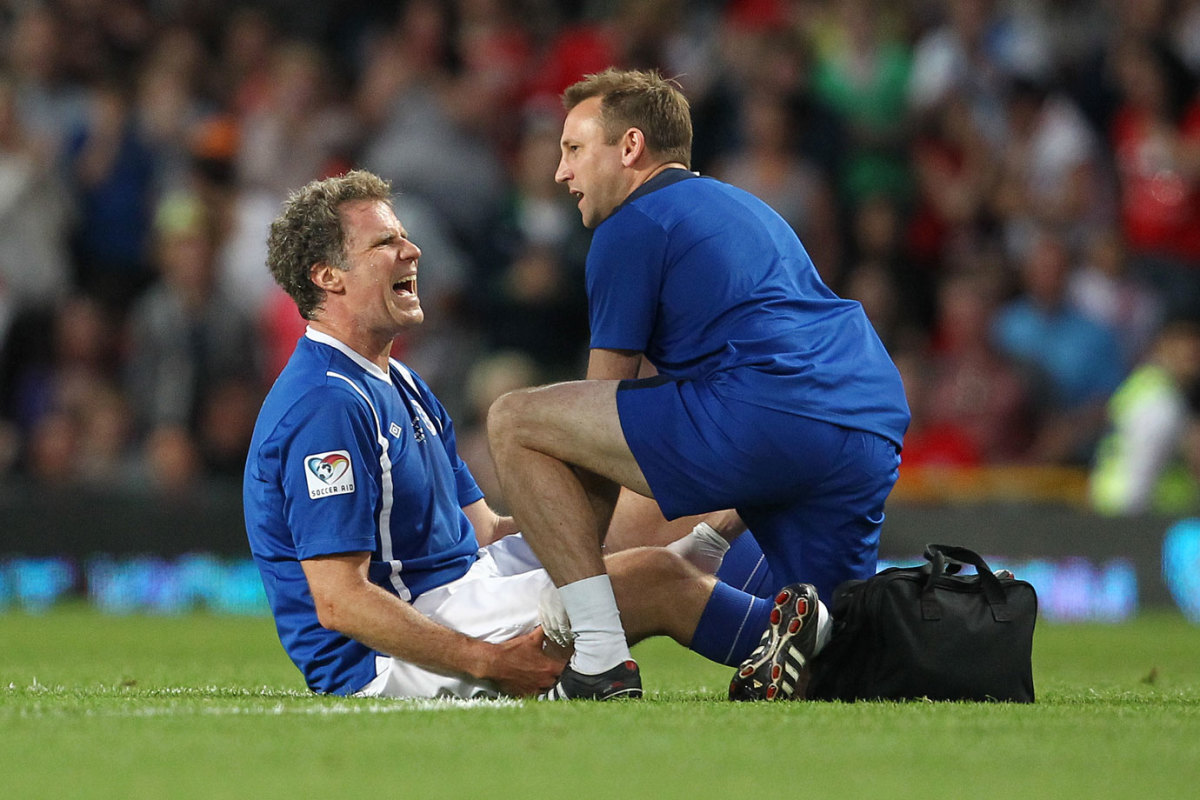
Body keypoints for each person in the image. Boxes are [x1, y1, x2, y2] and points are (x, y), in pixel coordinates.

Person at [242, 169, 773, 700]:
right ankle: (817, 653)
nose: (413, 250)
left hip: (469, 584)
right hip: (391, 654)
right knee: (652, 575)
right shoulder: (325, 406)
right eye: (387, 242)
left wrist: (601, 523)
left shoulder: (397, 380)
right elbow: (339, 599)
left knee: (651, 506)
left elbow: (486, 532)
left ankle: (806, 606)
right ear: (328, 277)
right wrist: (491, 662)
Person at [487, 69, 909, 701]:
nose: (560, 173)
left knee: (514, 419)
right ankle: (864, 639)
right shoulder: (746, 207)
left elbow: (593, 423)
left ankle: (600, 661)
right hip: (868, 419)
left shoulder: (632, 224)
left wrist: (580, 587)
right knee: (837, 647)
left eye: (574, 149)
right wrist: (713, 535)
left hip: (768, 409)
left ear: (629, 149)